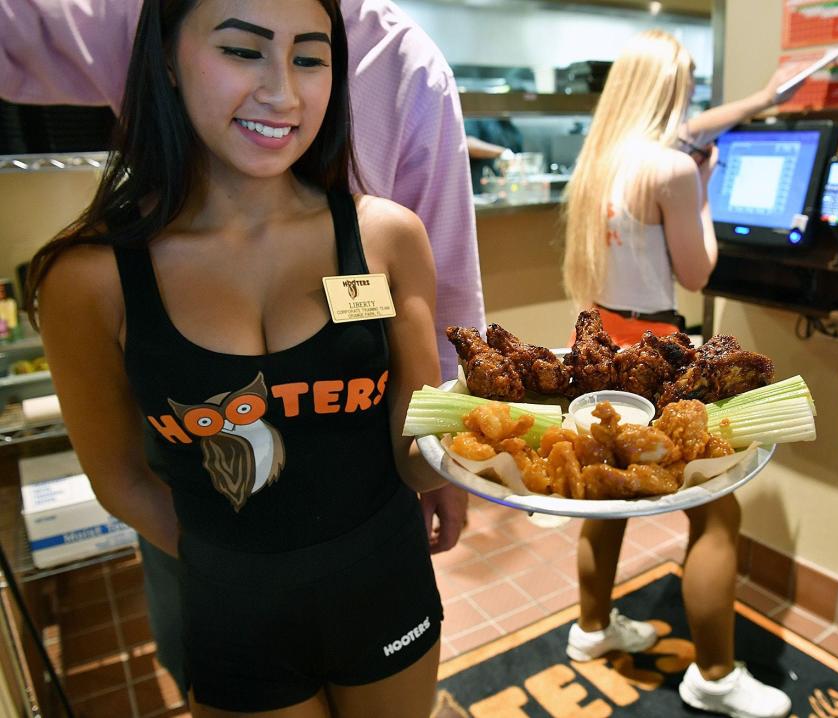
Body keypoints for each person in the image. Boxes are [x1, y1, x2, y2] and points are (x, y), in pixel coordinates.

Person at [2, 0, 481, 696]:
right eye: (241, 51)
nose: (282, 93)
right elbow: (122, 479)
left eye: (310, 58)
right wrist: (240, 563)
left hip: (386, 583)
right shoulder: (88, 281)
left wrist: (491, 447)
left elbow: (417, 441)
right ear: (166, 57)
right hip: (232, 610)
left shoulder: (387, 238)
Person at [562, 30, 804, 718]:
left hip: (601, 338)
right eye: (689, 86)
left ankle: (590, 630)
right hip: (658, 347)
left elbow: (693, 128)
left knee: (603, 501)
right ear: (668, 91)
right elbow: (698, 272)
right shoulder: (670, 172)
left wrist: (759, 100)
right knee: (717, 515)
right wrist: (705, 188)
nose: (693, 101)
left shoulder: (600, 162)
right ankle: (716, 677)